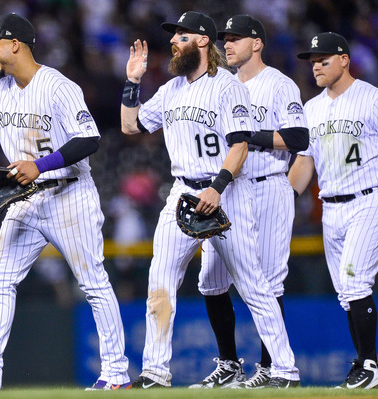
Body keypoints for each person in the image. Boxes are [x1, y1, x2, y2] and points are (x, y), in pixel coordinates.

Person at [0, 13, 130, 391]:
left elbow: (89, 139)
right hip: (25, 199)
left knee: (92, 283)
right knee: (0, 278)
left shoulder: (58, 86)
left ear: (15, 44)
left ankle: (117, 373)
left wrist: (40, 166)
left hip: (68, 192)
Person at [121, 11, 300, 389]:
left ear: (203, 41)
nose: (174, 42)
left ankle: (284, 369)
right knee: (161, 275)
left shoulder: (228, 87)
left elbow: (239, 146)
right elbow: (131, 125)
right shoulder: (171, 89)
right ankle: (155, 371)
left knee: (252, 282)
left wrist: (217, 188)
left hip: (226, 192)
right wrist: (132, 82)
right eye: (173, 37)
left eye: (182, 36)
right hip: (182, 191)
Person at [192, 15, 309, 389]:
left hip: (269, 184)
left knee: (270, 283)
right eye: (225, 39)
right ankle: (228, 365)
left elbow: (298, 136)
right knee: (210, 280)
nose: (227, 45)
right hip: (228, 190)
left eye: (237, 38)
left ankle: (269, 368)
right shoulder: (217, 85)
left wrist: (246, 135)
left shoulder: (278, 84)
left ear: (257, 43)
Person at [289, 32, 378, 389]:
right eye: (313, 62)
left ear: (344, 59)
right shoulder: (312, 108)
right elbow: (303, 167)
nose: (317, 67)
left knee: (355, 284)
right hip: (332, 209)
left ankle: (368, 367)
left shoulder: (374, 99)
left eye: (324, 60)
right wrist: (278, 201)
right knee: (346, 293)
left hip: (370, 200)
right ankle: (364, 367)